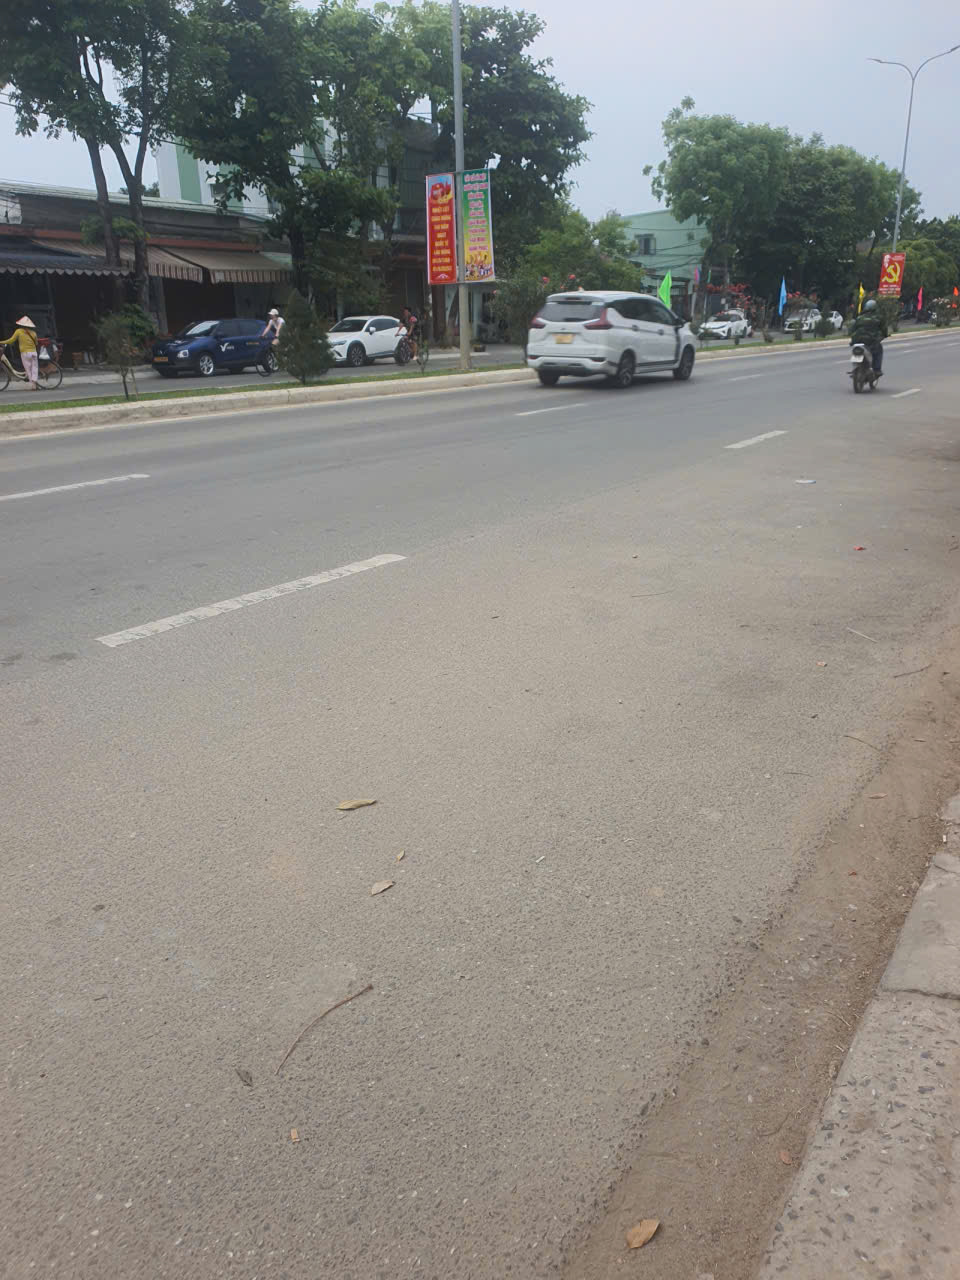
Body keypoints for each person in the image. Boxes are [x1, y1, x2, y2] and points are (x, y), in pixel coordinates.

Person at [849, 298, 887, 376]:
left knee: (855, 351)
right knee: (879, 349)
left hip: (858, 341)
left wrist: (853, 339)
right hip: (871, 341)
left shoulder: (860, 318)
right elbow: (884, 329)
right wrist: (885, 335)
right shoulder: (878, 318)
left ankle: (854, 370)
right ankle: (877, 369)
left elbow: (853, 329)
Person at [2, 315, 39, 389]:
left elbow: (11, 340)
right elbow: (36, 343)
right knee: (34, 367)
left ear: (21, 324)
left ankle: (32, 385)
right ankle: (34, 381)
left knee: (28, 369)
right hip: (33, 352)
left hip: (25, 353)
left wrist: (1, 342)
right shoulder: (33, 333)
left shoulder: (19, 331)